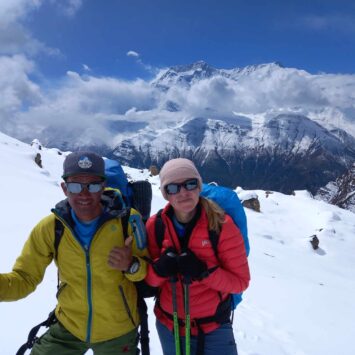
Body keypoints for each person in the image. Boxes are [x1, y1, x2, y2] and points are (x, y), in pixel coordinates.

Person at [0, 151, 149, 354]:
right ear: (64, 188)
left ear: (103, 186)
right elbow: (24, 279)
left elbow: (147, 272)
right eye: (75, 185)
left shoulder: (128, 221)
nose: (84, 194)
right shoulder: (51, 228)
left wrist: (130, 265)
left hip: (119, 330)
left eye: (93, 185)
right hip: (69, 327)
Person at [145, 158, 250, 355]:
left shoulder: (221, 226)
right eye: (174, 187)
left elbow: (240, 282)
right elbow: (147, 281)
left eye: (190, 184)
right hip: (170, 325)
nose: (184, 193)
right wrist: (159, 270)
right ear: (166, 194)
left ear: (199, 187)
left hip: (214, 327)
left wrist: (205, 271)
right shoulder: (156, 226)